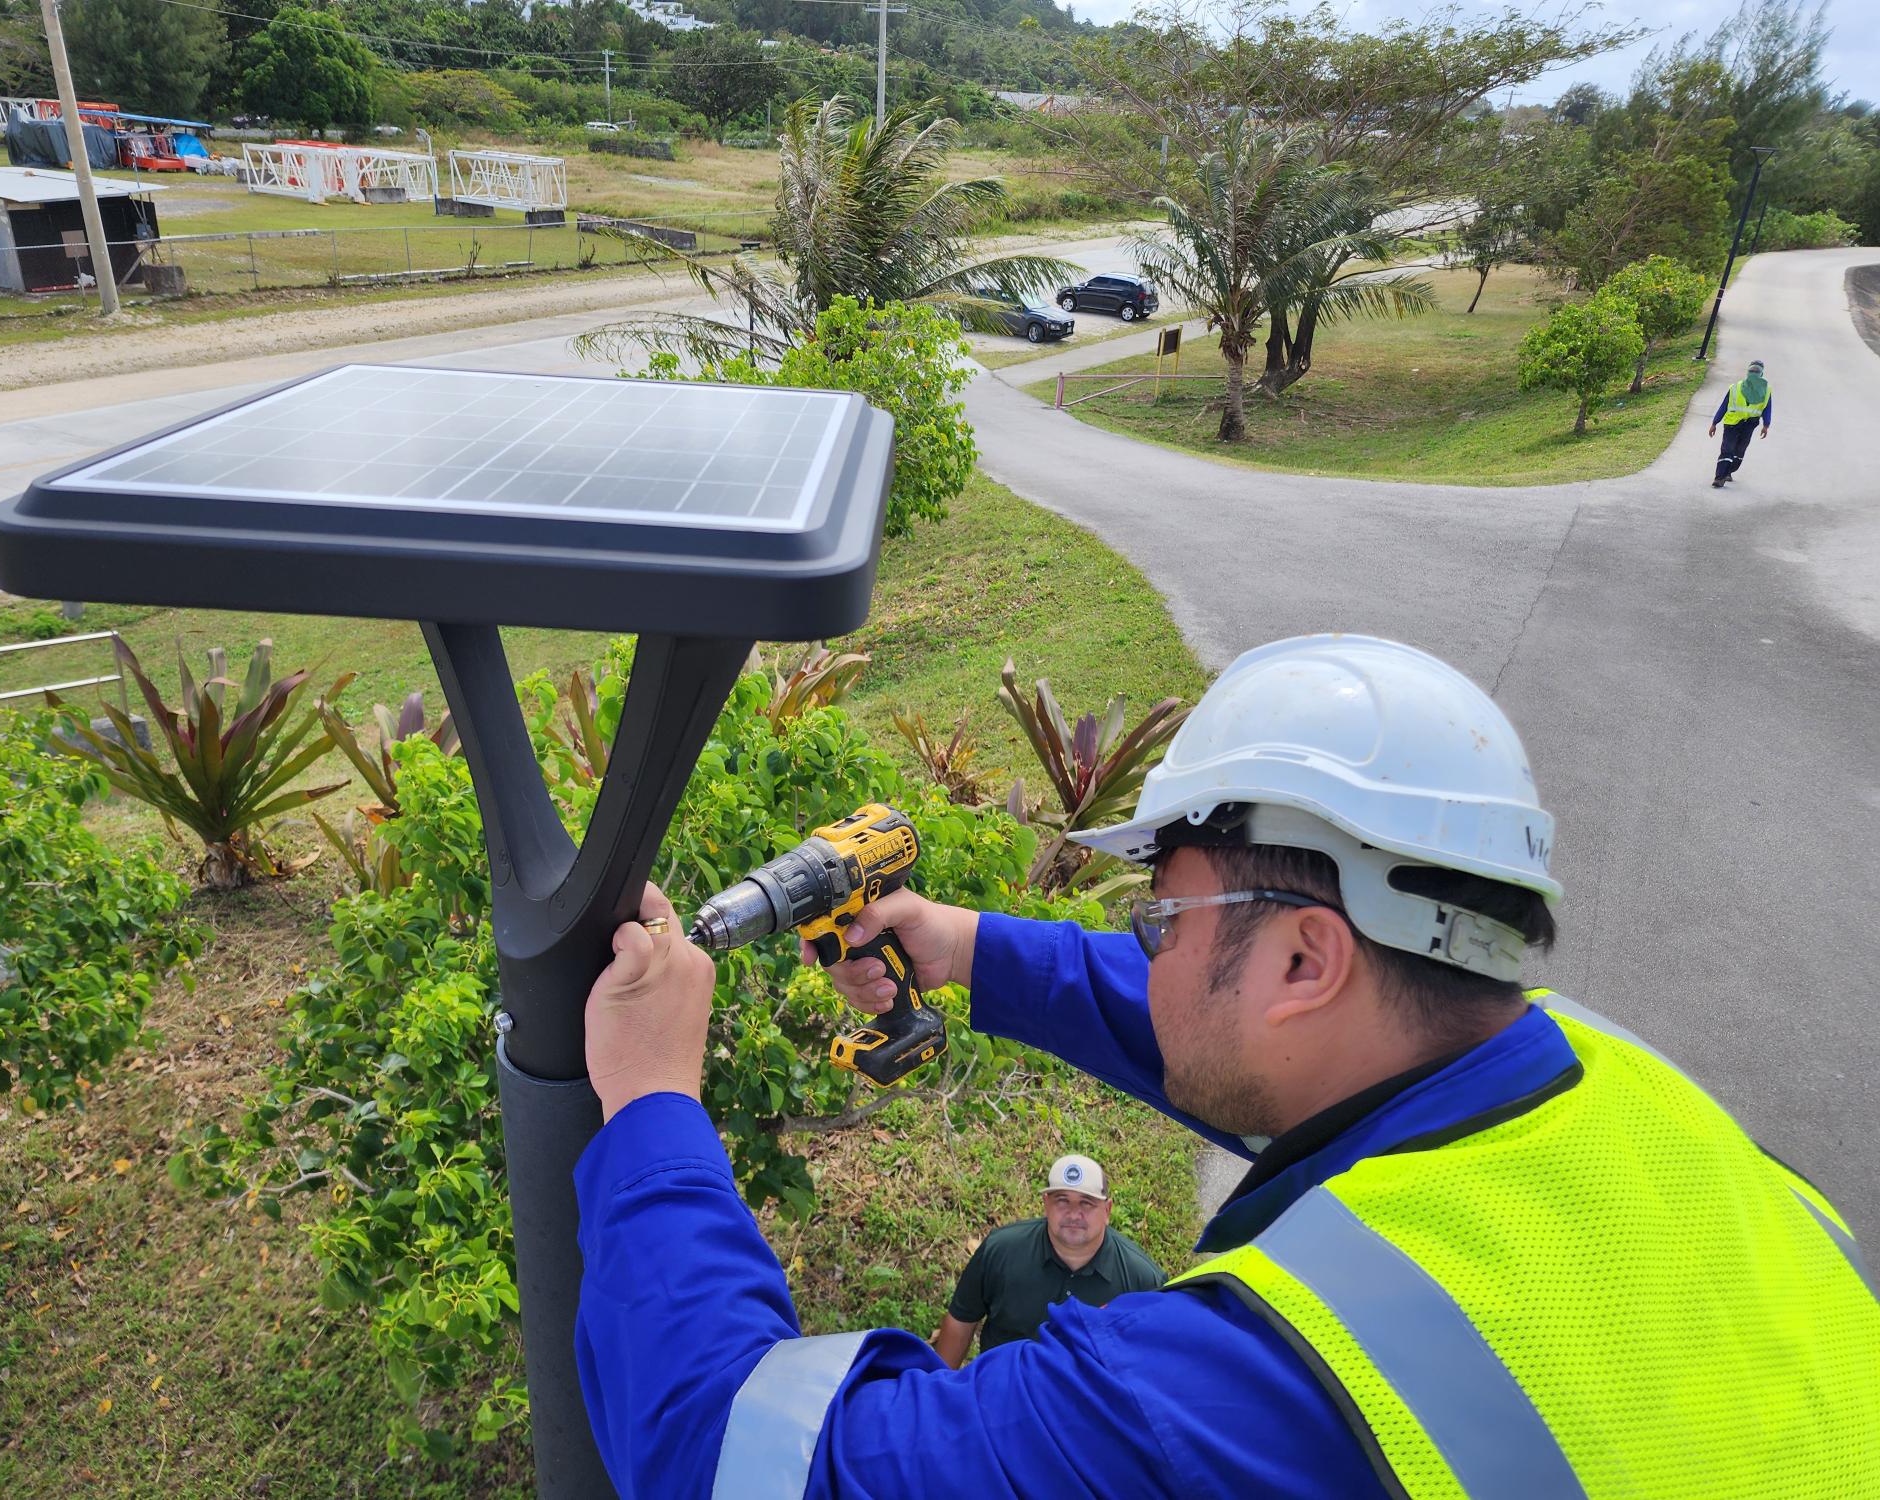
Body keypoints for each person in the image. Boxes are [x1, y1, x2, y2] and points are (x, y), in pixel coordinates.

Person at [573, 634, 1879, 1499]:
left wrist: (651, 1111)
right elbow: (1258, 1055)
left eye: (1161, 924)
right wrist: (967, 947)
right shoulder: (1632, 1102)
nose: (1144, 956)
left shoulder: (1270, 1387)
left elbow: (725, 1458)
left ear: (1310, 960)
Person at [931, 1154, 1165, 1368]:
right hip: (1000, 1394)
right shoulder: (1001, 1250)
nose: (1074, 1214)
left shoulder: (1141, 1280)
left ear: (1107, 1210)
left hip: (1086, 1406)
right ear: (1046, 1203)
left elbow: (1157, 1358)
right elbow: (961, 1321)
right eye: (1062, 1200)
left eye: (1087, 1202)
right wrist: (937, 1394)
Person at [1709, 358, 1772, 487]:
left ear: (1761, 374)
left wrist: (1766, 425)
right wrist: (1715, 422)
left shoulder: (1765, 390)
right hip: (1732, 423)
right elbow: (1724, 405)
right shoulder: (1736, 388)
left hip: (1749, 424)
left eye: (1756, 371)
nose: (1754, 373)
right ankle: (1720, 477)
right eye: (1752, 371)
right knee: (1728, 449)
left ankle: (1728, 472)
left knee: (1739, 451)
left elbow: (1767, 408)